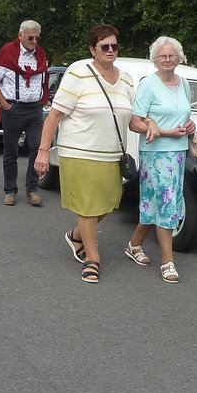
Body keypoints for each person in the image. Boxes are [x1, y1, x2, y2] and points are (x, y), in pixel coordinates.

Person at [34, 24, 135, 283]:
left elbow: (133, 120)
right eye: (104, 46)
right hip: (79, 152)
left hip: (112, 155)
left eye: (114, 45)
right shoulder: (78, 75)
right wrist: (43, 151)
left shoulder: (126, 80)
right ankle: (92, 258)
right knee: (89, 206)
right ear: (93, 49)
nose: (110, 50)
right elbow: (54, 116)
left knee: (108, 204)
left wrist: (160, 127)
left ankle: (76, 235)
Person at [125, 37, 196, 283]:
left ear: (179, 58)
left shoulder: (184, 83)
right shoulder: (148, 84)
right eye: (162, 56)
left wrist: (190, 125)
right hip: (155, 154)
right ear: (154, 60)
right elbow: (135, 122)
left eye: (171, 55)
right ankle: (168, 262)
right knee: (166, 203)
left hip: (179, 151)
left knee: (156, 204)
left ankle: (134, 245)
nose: (167, 60)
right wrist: (164, 132)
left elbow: (184, 114)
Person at [0, 20, 49, 207]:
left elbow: (44, 78)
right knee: (11, 151)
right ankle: (10, 191)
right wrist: (4, 104)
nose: (34, 42)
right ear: (20, 36)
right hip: (13, 109)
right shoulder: (8, 53)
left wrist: (43, 100)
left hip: (34, 109)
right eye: (30, 38)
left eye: (37, 38)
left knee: (36, 147)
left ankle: (32, 190)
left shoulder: (40, 54)